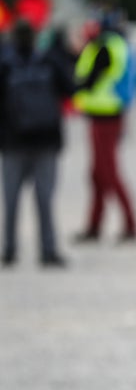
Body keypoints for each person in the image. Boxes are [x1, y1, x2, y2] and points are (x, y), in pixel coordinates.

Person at [0, 19, 75, 267]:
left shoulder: (6, 64)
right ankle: (48, 250)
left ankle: (9, 250)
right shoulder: (49, 60)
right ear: (35, 37)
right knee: (45, 199)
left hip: (13, 142)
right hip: (46, 140)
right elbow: (71, 89)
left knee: (11, 200)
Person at [73, 16, 136, 243]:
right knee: (98, 175)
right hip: (105, 115)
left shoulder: (104, 48)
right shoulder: (113, 46)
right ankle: (94, 225)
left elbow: (89, 81)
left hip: (105, 117)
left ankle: (130, 225)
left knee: (108, 173)